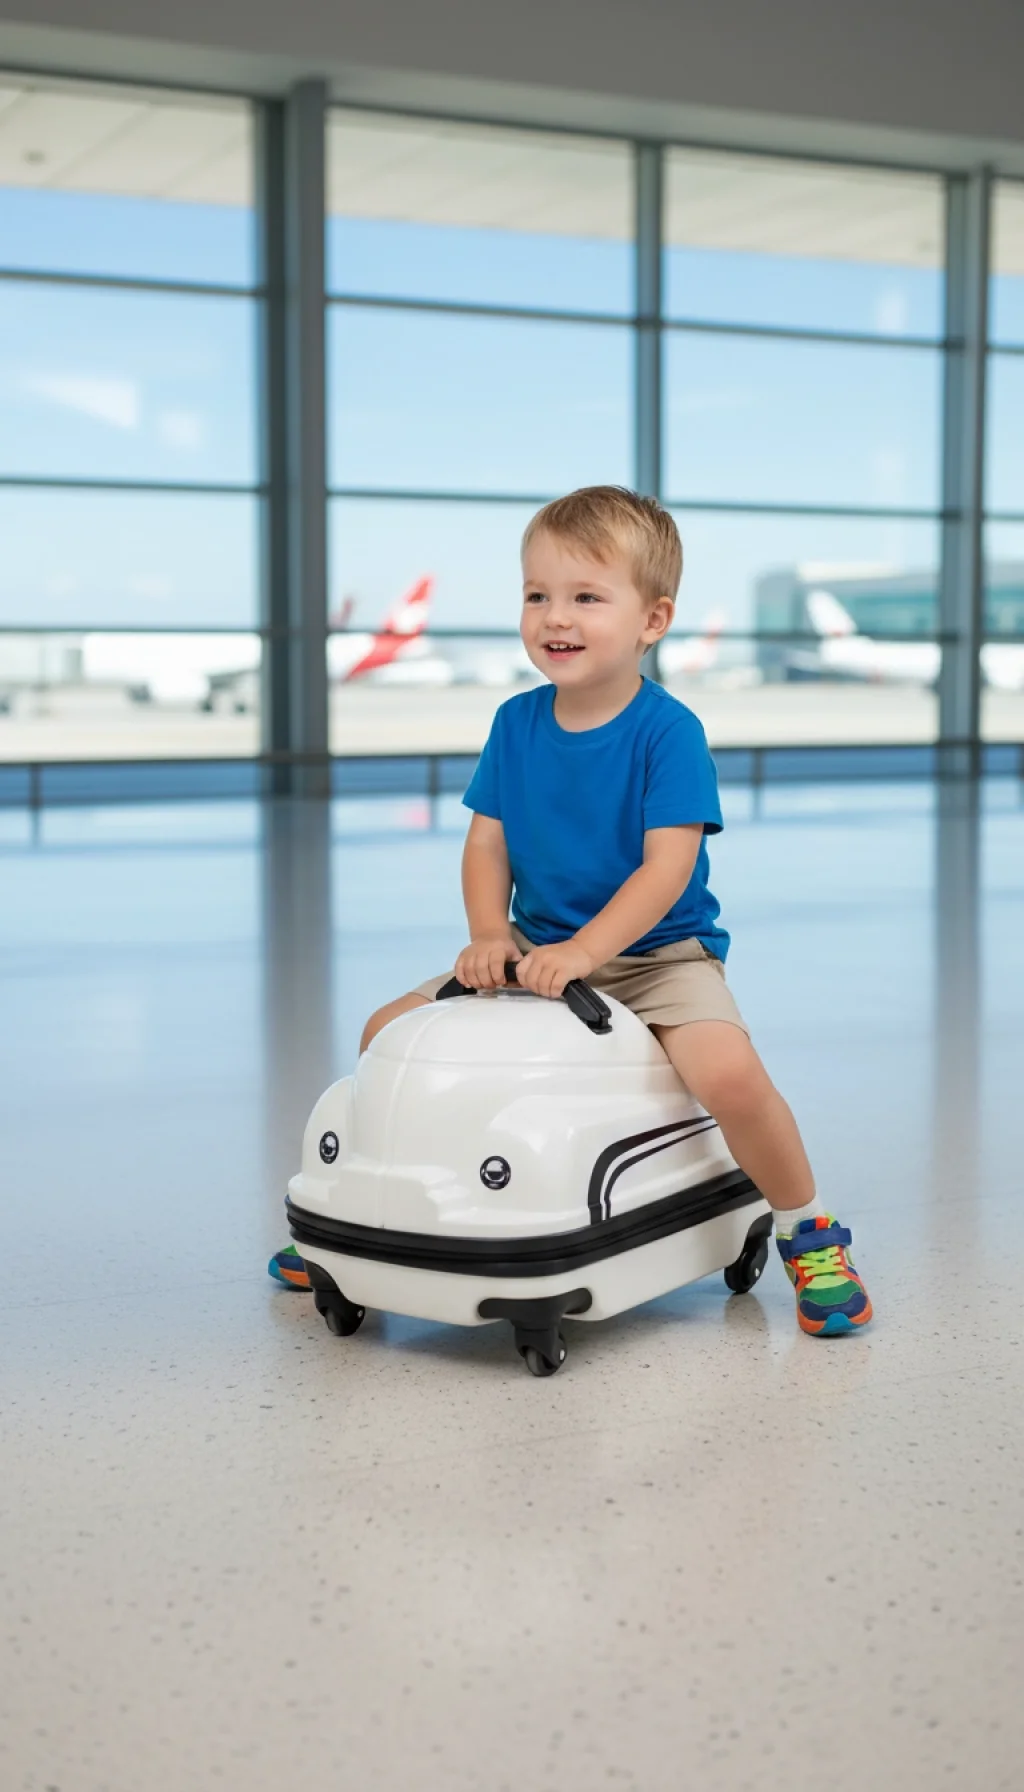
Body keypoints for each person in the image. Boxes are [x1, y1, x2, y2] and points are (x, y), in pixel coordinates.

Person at [271, 486, 871, 1337]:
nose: (556, 616)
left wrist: (588, 952)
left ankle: (807, 1228)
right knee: (384, 1033)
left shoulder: (668, 732)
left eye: (587, 596)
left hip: (659, 955)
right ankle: (368, 1221)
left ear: (652, 620)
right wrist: (490, 935)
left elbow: (666, 869)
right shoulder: (515, 723)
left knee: (729, 1076)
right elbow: (487, 845)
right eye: (537, 594)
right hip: (537, 946)